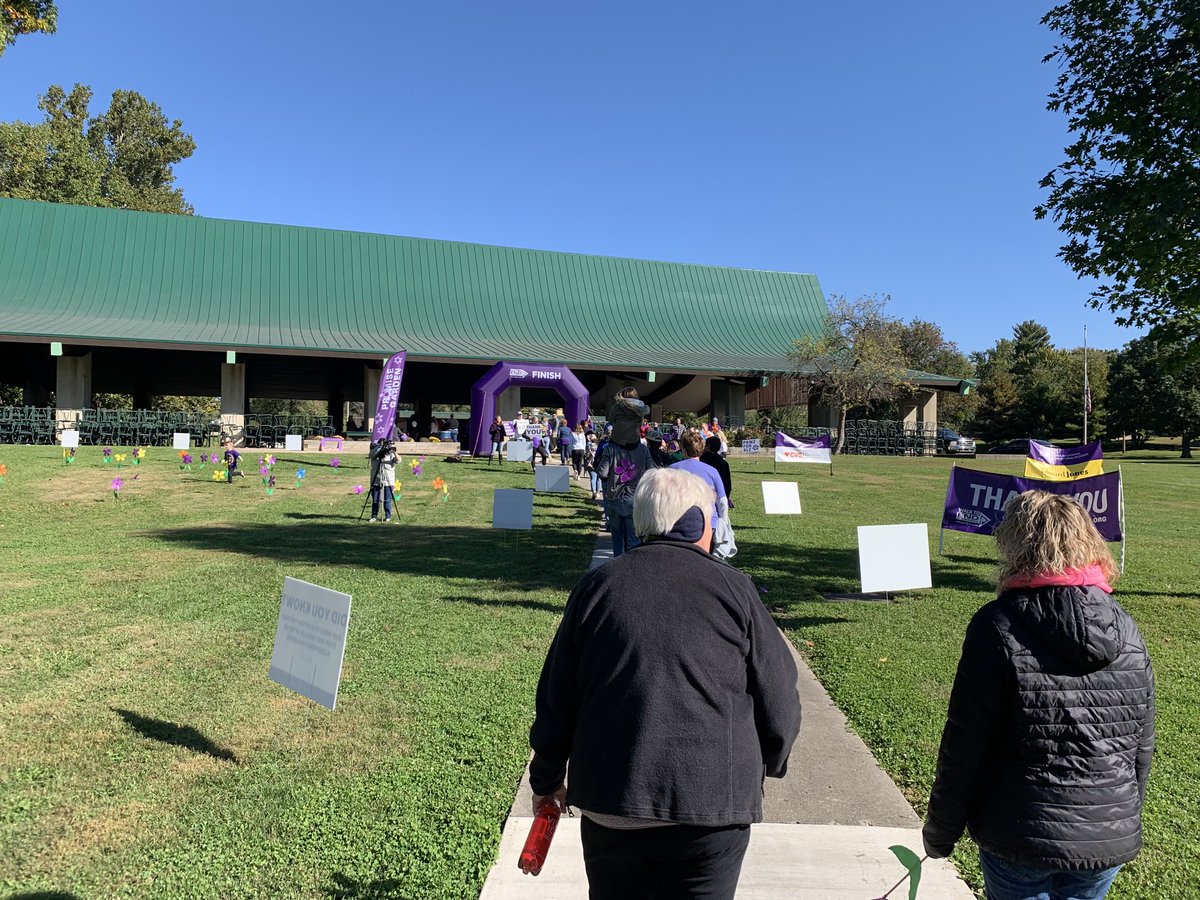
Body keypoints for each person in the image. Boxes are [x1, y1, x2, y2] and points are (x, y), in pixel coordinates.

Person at [528, 468, 802, 900]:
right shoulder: (735, 590)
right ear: (698, 521)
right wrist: (768, 762)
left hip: (613, 802)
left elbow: (556, 698)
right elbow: (781, 695)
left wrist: (546, 780)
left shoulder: (597, 587)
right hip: (711, 807)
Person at [923, 491, 1154, 900]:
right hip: (1104, 835)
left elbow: (965, 743)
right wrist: (1120, 818)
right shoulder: (1127, 628)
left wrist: (941, 830)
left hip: (1020, 832)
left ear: (1015, 544)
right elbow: (1141, 746)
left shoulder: (997, 625)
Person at [595, 422, 657, 557]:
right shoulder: (643, 449)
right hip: (634, 499)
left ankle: (618, 569)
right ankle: (631, 569)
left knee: (617, 540)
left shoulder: (610, 448)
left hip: (614, 497)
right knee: (633, 539)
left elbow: (602, 473)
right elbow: (652, 471)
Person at [670, 430, 727, 536]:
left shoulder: (671, 470)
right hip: (708, 522)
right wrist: (724, 521)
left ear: (683, 449)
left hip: (678, 522)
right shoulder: (712, 471)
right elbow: (722, 501)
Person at [368, 439, 398, 523]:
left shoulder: (391, 453)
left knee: (387, 499)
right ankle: (374, 516)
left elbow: (399, 460)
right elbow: (371, 455)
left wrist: (393, 451)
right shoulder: (375, 452)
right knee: (375, 499)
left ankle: (388, 516)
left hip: (388, 481)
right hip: (376, 480)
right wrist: (379, 447)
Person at [701, 435, 733, 508]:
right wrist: (726, 497)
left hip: (704, 495)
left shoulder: (701, 460)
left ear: (708, 446)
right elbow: (727, 483)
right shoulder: (724, 463)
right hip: (719, 495)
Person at [584, 431, 601, 501]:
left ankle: (593, 492)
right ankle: (597, 492)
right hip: (599, 462)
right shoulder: (600, 445)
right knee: (598, 479)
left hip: (590, 463)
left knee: (593, 478)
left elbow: (586, 454)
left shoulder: (588, 445)